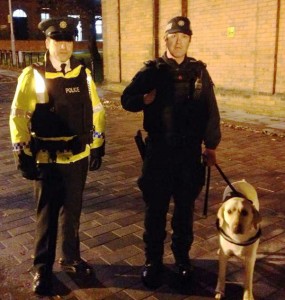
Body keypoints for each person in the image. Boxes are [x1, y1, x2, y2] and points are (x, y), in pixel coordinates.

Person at [121, 16, 221, 289]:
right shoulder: (151, 70)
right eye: (174, 36)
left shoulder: (199, 71)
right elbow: (125, 99)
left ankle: (182, 261)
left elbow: (211, 111)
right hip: (159, 152)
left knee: (184, 211)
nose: (179, 41)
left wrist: (211, 145)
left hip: (189, 153)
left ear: (189, 40)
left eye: (184, 37)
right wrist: (143, 100)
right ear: (165, 39)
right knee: (155, 210)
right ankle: (153, 262)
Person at [9, 17, 106, 295]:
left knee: (72, 212)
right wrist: (22, 152)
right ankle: (42, 268)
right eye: (57, 41)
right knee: (47, 216)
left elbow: (96, 110)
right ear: (48, 43)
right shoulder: (34, 74)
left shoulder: (82, 73)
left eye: (67, 41)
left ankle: (71, 258)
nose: (63, 47)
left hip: (78, 159)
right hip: (47, 160)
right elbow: (18, 116)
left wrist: (98, 143)